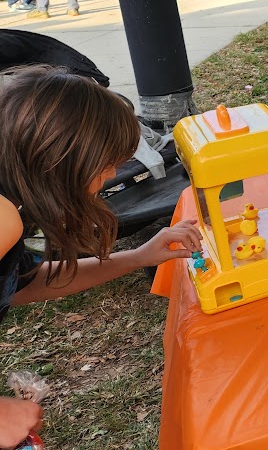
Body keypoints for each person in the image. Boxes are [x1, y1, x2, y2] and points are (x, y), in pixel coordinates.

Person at [0, 66, 202, 446]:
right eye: (108, 162)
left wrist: (140, 256)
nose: (111, 173)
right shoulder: (3, 215)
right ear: (63, 158)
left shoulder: (14, 197)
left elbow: (22, 284)